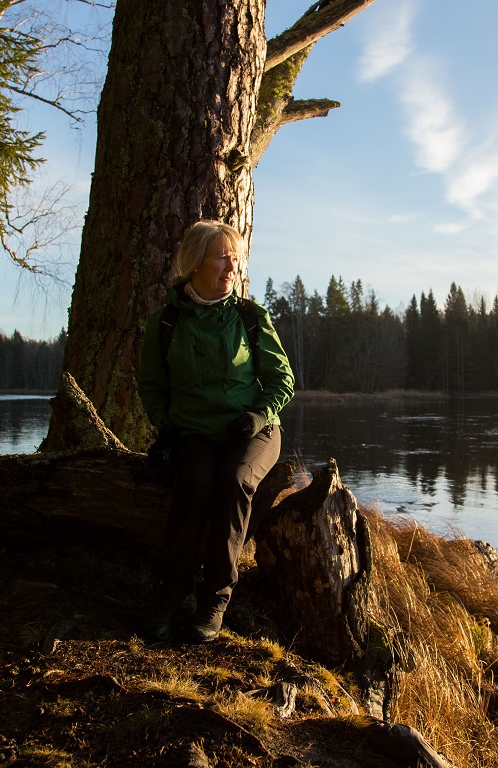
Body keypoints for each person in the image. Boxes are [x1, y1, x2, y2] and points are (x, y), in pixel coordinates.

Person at [137, 220, 294, 643]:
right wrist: (166, 428)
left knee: (235, 481)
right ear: (196, 263)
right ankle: (167, 594)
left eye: (235, 257)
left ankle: (214, 600)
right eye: (223, 256)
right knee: (195, 483)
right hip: (194, 431)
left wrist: (260, 416)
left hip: (255, 429)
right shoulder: (166, 323)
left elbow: (283, 380)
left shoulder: (248, 317)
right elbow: (151, 386)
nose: (232, 265)